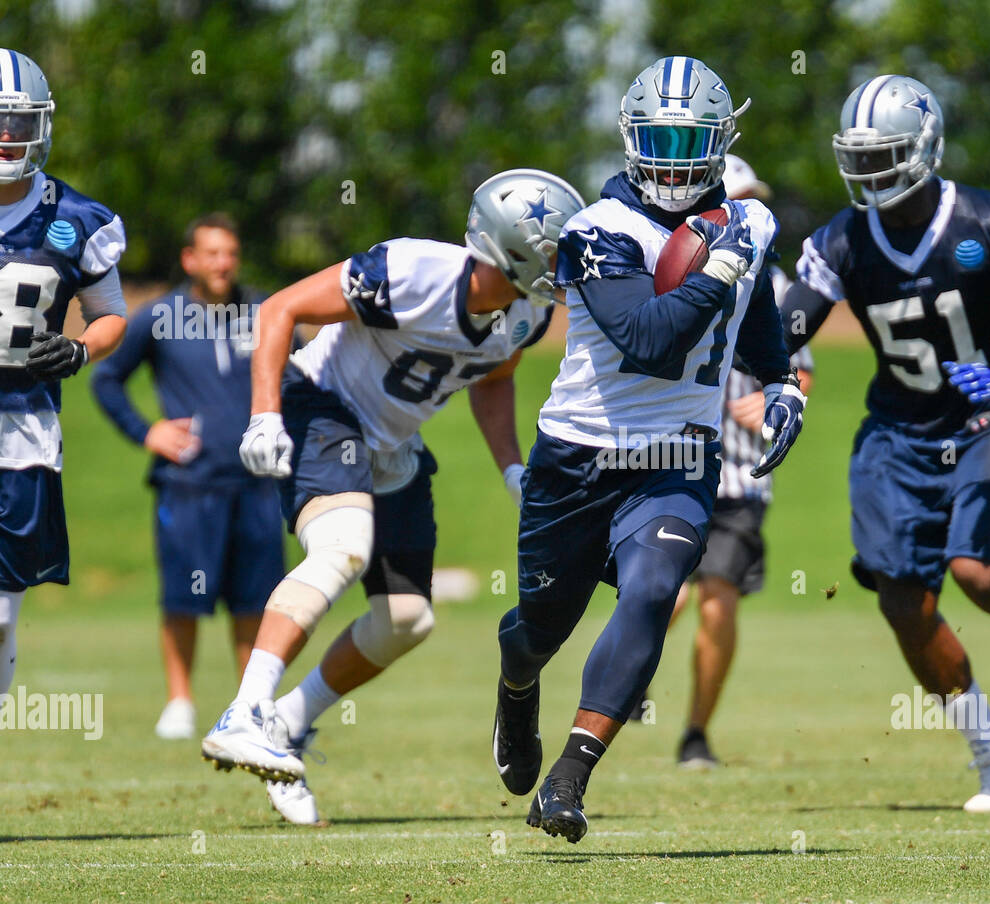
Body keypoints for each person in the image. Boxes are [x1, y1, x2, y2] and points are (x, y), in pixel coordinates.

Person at [199, 169, 584, 825]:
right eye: (552, 248)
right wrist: (264, 414)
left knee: (407, 618)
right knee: (343, 546)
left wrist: (512, 469)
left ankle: (287, 722)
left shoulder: (528, 311)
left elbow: (495, 377)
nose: (563, 265)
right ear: (513, 247)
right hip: (323, 405)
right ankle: (246, 708)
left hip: (392, 442)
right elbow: (280, 309)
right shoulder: (413, 271)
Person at [491, 57, 805, 843]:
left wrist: (782, 387)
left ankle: (569, 778)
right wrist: (718, 271)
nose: (670, 156)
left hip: (677, 455)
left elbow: (759, 321)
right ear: (631, 139)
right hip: (580, 457)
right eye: (658, 137)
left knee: (654, 589)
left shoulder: (752, 223)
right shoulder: (598, 229)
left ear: (719, 142)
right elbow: (648, 341)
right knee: (539, 627)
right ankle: (517, 680)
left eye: (687, 139)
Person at [783, 75, 990, 812]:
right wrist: (777, 376)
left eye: (885, 154)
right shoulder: (841, 241)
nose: (870, 171)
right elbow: (787, 327)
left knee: (981, 576)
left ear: (924, 147)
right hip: (899, 430)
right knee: (902, 601)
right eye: (860, 156)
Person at [92, 214, 279, 740]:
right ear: (189, 259)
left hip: (256, 482)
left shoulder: (266, 312)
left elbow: (310, 371)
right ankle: (180, 701)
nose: (223, 264)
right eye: (212, 253)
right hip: (189, 485)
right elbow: (106, 379)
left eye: (231, 253)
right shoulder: (159, 317)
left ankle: (250, 706)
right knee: (183, 597)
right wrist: (147, 431)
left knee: (256, 602)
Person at [659, 153, 813, 769]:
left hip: (738, 476)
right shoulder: (668, 266)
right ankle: (625, 684)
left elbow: (800, 374)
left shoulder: (772, 285)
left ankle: (695, 732)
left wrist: (778, 402)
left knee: (717, 595)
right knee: (660, 595)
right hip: (670, 461)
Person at [0, 49, 127, 700]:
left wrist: (80, 351)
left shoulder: (76, 219)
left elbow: (111, 317)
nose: (5, 138)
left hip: (22, 435)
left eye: (16, 123)